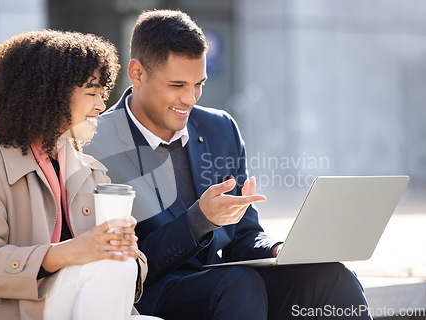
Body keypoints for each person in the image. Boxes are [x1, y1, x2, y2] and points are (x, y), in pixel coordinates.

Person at [84, 9, 372, 320]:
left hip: (226, 289)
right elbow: (116, 261)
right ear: (137, 73)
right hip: (149, 293)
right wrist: (199, 220)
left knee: (331, 276)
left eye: (199, 84)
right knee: (238, 284)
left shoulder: (220, 128)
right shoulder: (95, 143)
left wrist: (279, 249)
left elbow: (244, 236)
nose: (191, 98)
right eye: (177, 85)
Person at [0, 29, 150, 320]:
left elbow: (119, 268)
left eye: (102, 95)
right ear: (48, 95)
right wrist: (65, 253)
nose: (101, 105)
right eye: (91, 93)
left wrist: (127, 249)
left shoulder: (90, 169)